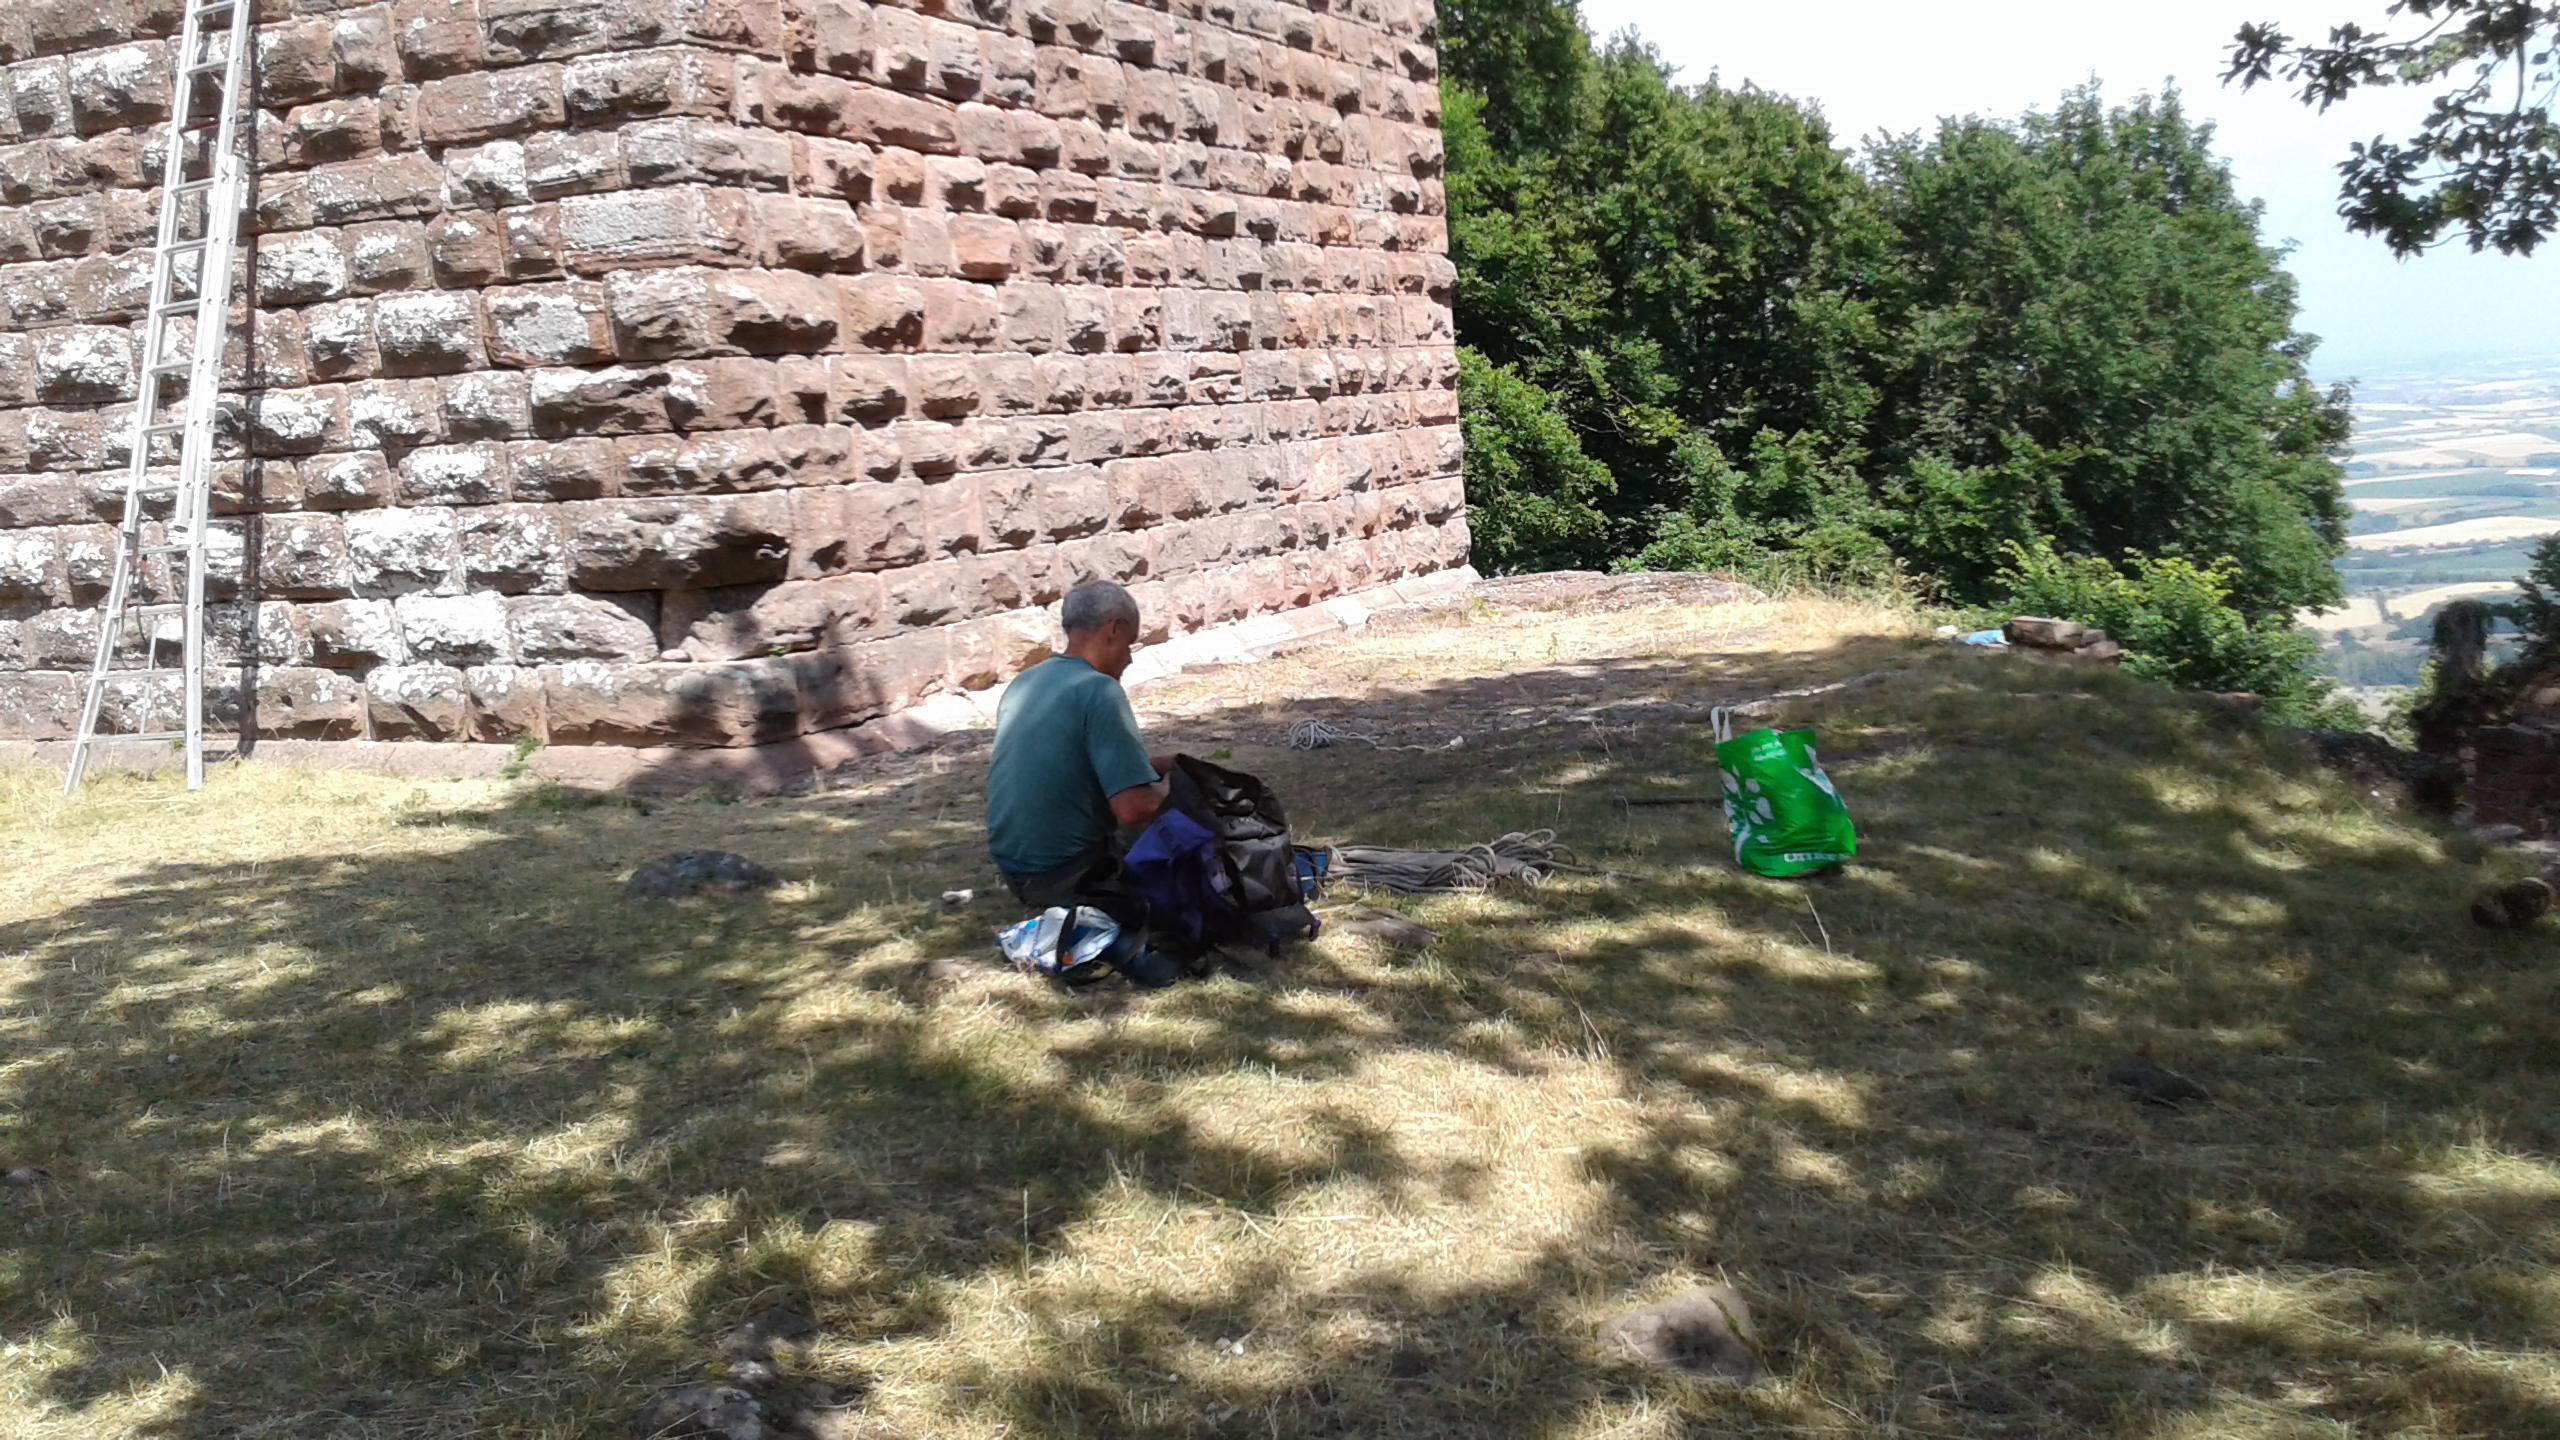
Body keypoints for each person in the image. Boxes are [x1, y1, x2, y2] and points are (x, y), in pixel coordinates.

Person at [984, 581, 1185, 986]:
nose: (1129, 657)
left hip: (1018, 873)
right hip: (1069, 875)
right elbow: (1133, 807)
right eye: (1130, 643)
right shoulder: (1099, 689)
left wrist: (1161, 765)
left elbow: (1071, 760)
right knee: (1178, 836)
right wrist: (1181, 789)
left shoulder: (1027, 682)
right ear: (1113, 628)